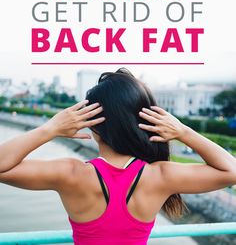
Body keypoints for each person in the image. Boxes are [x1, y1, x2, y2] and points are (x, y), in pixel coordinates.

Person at [0, 68, 235, 245]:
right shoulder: (161, 175)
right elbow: (231, 171)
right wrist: (183, 131)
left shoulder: (71, 174)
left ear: (94, 128)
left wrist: (49, 129)